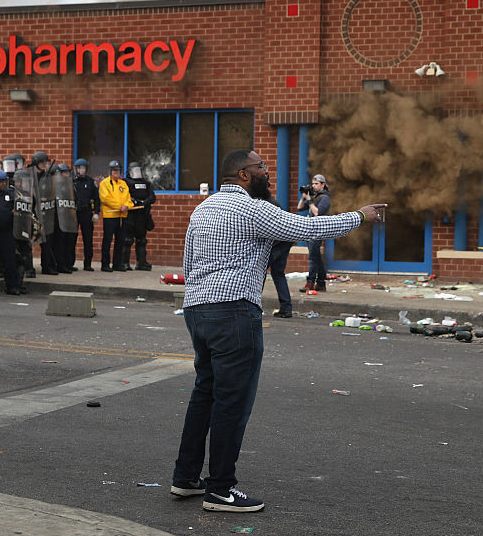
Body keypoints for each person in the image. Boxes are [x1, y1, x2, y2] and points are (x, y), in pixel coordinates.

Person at [170, 149, 385, 512]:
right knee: (231, 403)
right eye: (261, 168)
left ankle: (186, 477)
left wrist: (201, 297)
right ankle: (221, 489)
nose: (267, 174)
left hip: (198, 310)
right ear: (242, 174)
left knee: (204, 394)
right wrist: (360, 216)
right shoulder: (254, 210)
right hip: (235, 312)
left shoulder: (202, 209)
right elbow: (310, 228)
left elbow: (188, 261)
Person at [297, 174, 331, 292]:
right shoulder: (314, 197)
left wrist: (310, 201)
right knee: (316, 257)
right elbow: (299, 207)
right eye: (313, 184)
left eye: (317, 184)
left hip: (318, 231)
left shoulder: (324, 198)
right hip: (310, 231)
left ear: (323, 185)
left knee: (312, 258)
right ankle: (321, 283)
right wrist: (304, 196)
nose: (314, 186)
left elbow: (317, 213)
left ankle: (310, 282)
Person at [97, 160, 133, 272]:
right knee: (107, 241)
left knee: (120, 241)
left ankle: (117, 264)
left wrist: (126, 206)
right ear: (110, 171)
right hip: (110, 216)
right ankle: (105, 264)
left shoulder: (123, 184)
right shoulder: (105, 183)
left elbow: (129, 200)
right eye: (114, 170)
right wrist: (119, 206)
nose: (116, 173)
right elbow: (105, 198)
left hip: (122, 216)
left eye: (118, 170)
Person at [123, 161, 156, 270]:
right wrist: (135, 202)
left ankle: (141, 263)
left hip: (143, 215)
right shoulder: (126, 182)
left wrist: (144, 202)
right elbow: (124, 195)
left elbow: (152, 197)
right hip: (131, 214)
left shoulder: (146, 183)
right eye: (134, 171)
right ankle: (125, 263)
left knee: (141, 240)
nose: (137, 173)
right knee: (127, 240)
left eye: (138, 170)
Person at [72, 159, 100, 271]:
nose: (82, 170)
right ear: (76, 169)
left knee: (88, 239)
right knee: (72, 239)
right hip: (74, 213)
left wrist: (97, 213)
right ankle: (70, 263)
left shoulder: (90, 182)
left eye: (83, 168)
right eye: (80, 168)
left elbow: (97, 199)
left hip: (87, 213)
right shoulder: (72, 181)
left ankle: (87, 264)